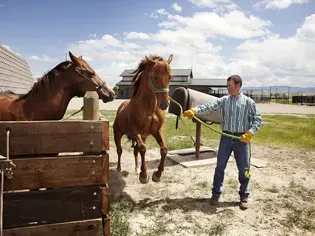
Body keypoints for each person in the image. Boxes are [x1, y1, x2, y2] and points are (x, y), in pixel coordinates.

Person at [183, 75, 262, 209]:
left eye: (230, 86)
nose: (228, 88)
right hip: (225, 138)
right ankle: (216, 194)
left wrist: (250, 132)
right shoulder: (224, 100)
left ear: (238, 86)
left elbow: (257, 119)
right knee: (220, 167)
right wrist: (195, 110)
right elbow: (210, 106)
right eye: (227, 86)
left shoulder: (249, 103)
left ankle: (244, 195)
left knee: (243, 168)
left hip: (241, 140)